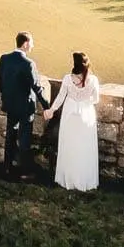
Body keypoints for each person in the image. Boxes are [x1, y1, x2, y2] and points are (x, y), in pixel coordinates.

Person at [45, 51, 102, 192]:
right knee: (85, 147)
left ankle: (68, 179)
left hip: (70, 114)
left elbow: (60, 98)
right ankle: (84, 180)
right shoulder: (93, 80)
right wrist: (84, 99)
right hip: (86, 114)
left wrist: (51, 110)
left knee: (69, 145)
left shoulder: (67, 79)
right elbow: (96, 100)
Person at [0, 31, 48, 179]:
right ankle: (25, 171)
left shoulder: (4, 59)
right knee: (24, 139)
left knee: (10, 136)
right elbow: (37, 87)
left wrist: (5, 97)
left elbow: (0, 81)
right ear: (25, 44)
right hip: (25, 107)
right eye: (31, 42)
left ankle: (7, 167)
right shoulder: (28, 64)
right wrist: (47, 106)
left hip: (10, 104)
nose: (32, 45)